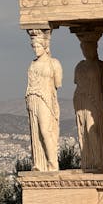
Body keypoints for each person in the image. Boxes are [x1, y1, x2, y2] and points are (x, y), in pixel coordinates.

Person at [26, 30, 62, 171]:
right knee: (36, 132)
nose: (36, 49)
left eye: (38, 46)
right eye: (34, 47)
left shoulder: (54, 63)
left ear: (45, 46)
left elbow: (58, 83)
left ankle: (53, 164)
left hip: (46, 99)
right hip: (32, 98)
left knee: (45, 130)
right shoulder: (32, 64)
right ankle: (39, 164)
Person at [74, 33, 103, 170]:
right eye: (84, 49)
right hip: (81, 100)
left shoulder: (102, 66)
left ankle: (98, 161)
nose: (86, 51)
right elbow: (77, 84)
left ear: (95, 48)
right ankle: (87, 161)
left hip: (95, 101)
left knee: (92, 128)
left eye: (89, 48)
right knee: (83, 129)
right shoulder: (79, 66)